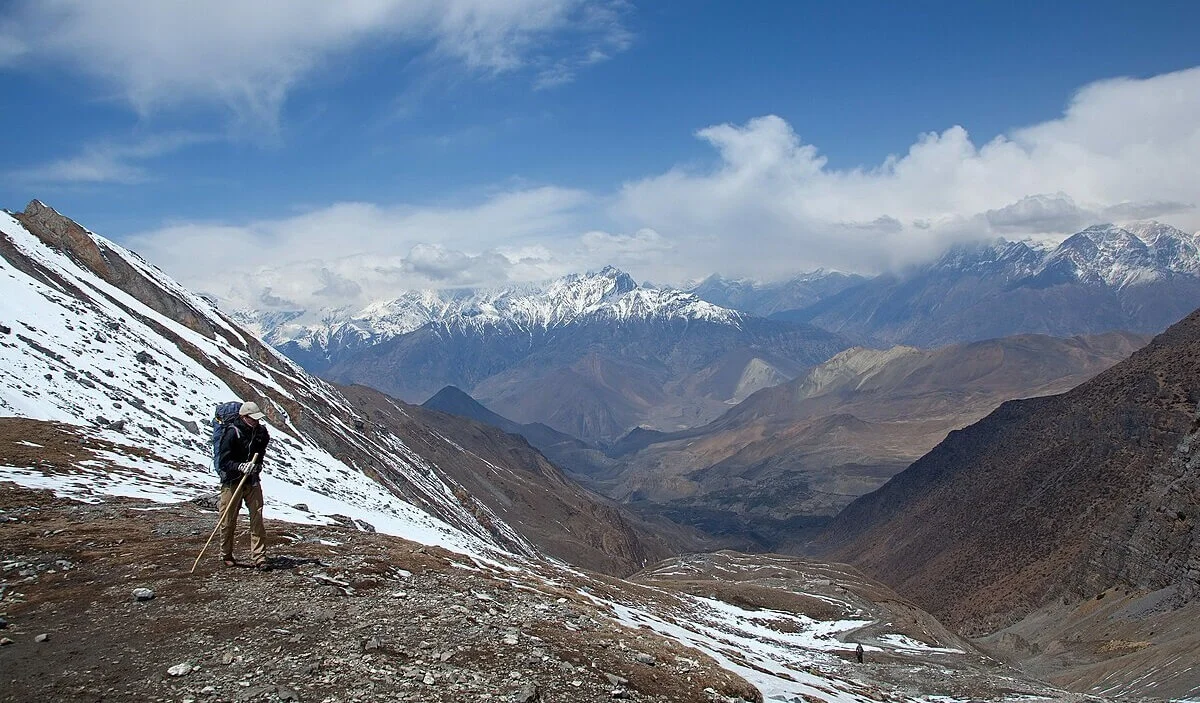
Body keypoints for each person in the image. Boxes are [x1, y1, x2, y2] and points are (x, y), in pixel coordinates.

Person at [216, 401, 271, 569]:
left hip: (252, 480)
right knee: (228, 519)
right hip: (232, 481)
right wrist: (239, 466)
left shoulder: (261, 433)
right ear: (244, 417)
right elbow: (224, 461)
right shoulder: (232, 433)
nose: (256, 422)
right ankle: (226, 553)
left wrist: (257, 466)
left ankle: (259, 557)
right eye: (253, 419)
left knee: (257, 517)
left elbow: (260, 454)